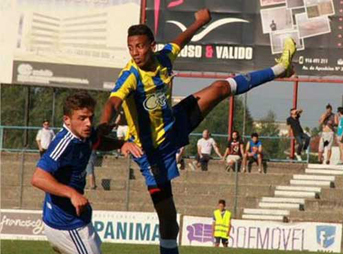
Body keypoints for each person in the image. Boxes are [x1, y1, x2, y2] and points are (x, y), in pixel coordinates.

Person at [98, 8, 296, 254]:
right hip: (152, 153)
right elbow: (112, 102)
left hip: (175, 123)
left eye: (139, 47)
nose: (135, 53)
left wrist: (199, 22)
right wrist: (105, 123)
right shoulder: (130, 76)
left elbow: (181, 40)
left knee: (220, 87)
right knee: (169, 221)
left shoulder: (165, 58)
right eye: (130, 48)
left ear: (152, 45)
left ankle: (281, 68)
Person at [31, 92, 142, 254]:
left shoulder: (84, 136)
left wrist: (121, 144)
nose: (88, 123)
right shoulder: (64, 143)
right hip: (67, 224)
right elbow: (38, 178)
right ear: (67, 120)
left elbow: (97, 142)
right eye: (82, 118)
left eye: (90, 117)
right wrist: (72, 194)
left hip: (75, 219)